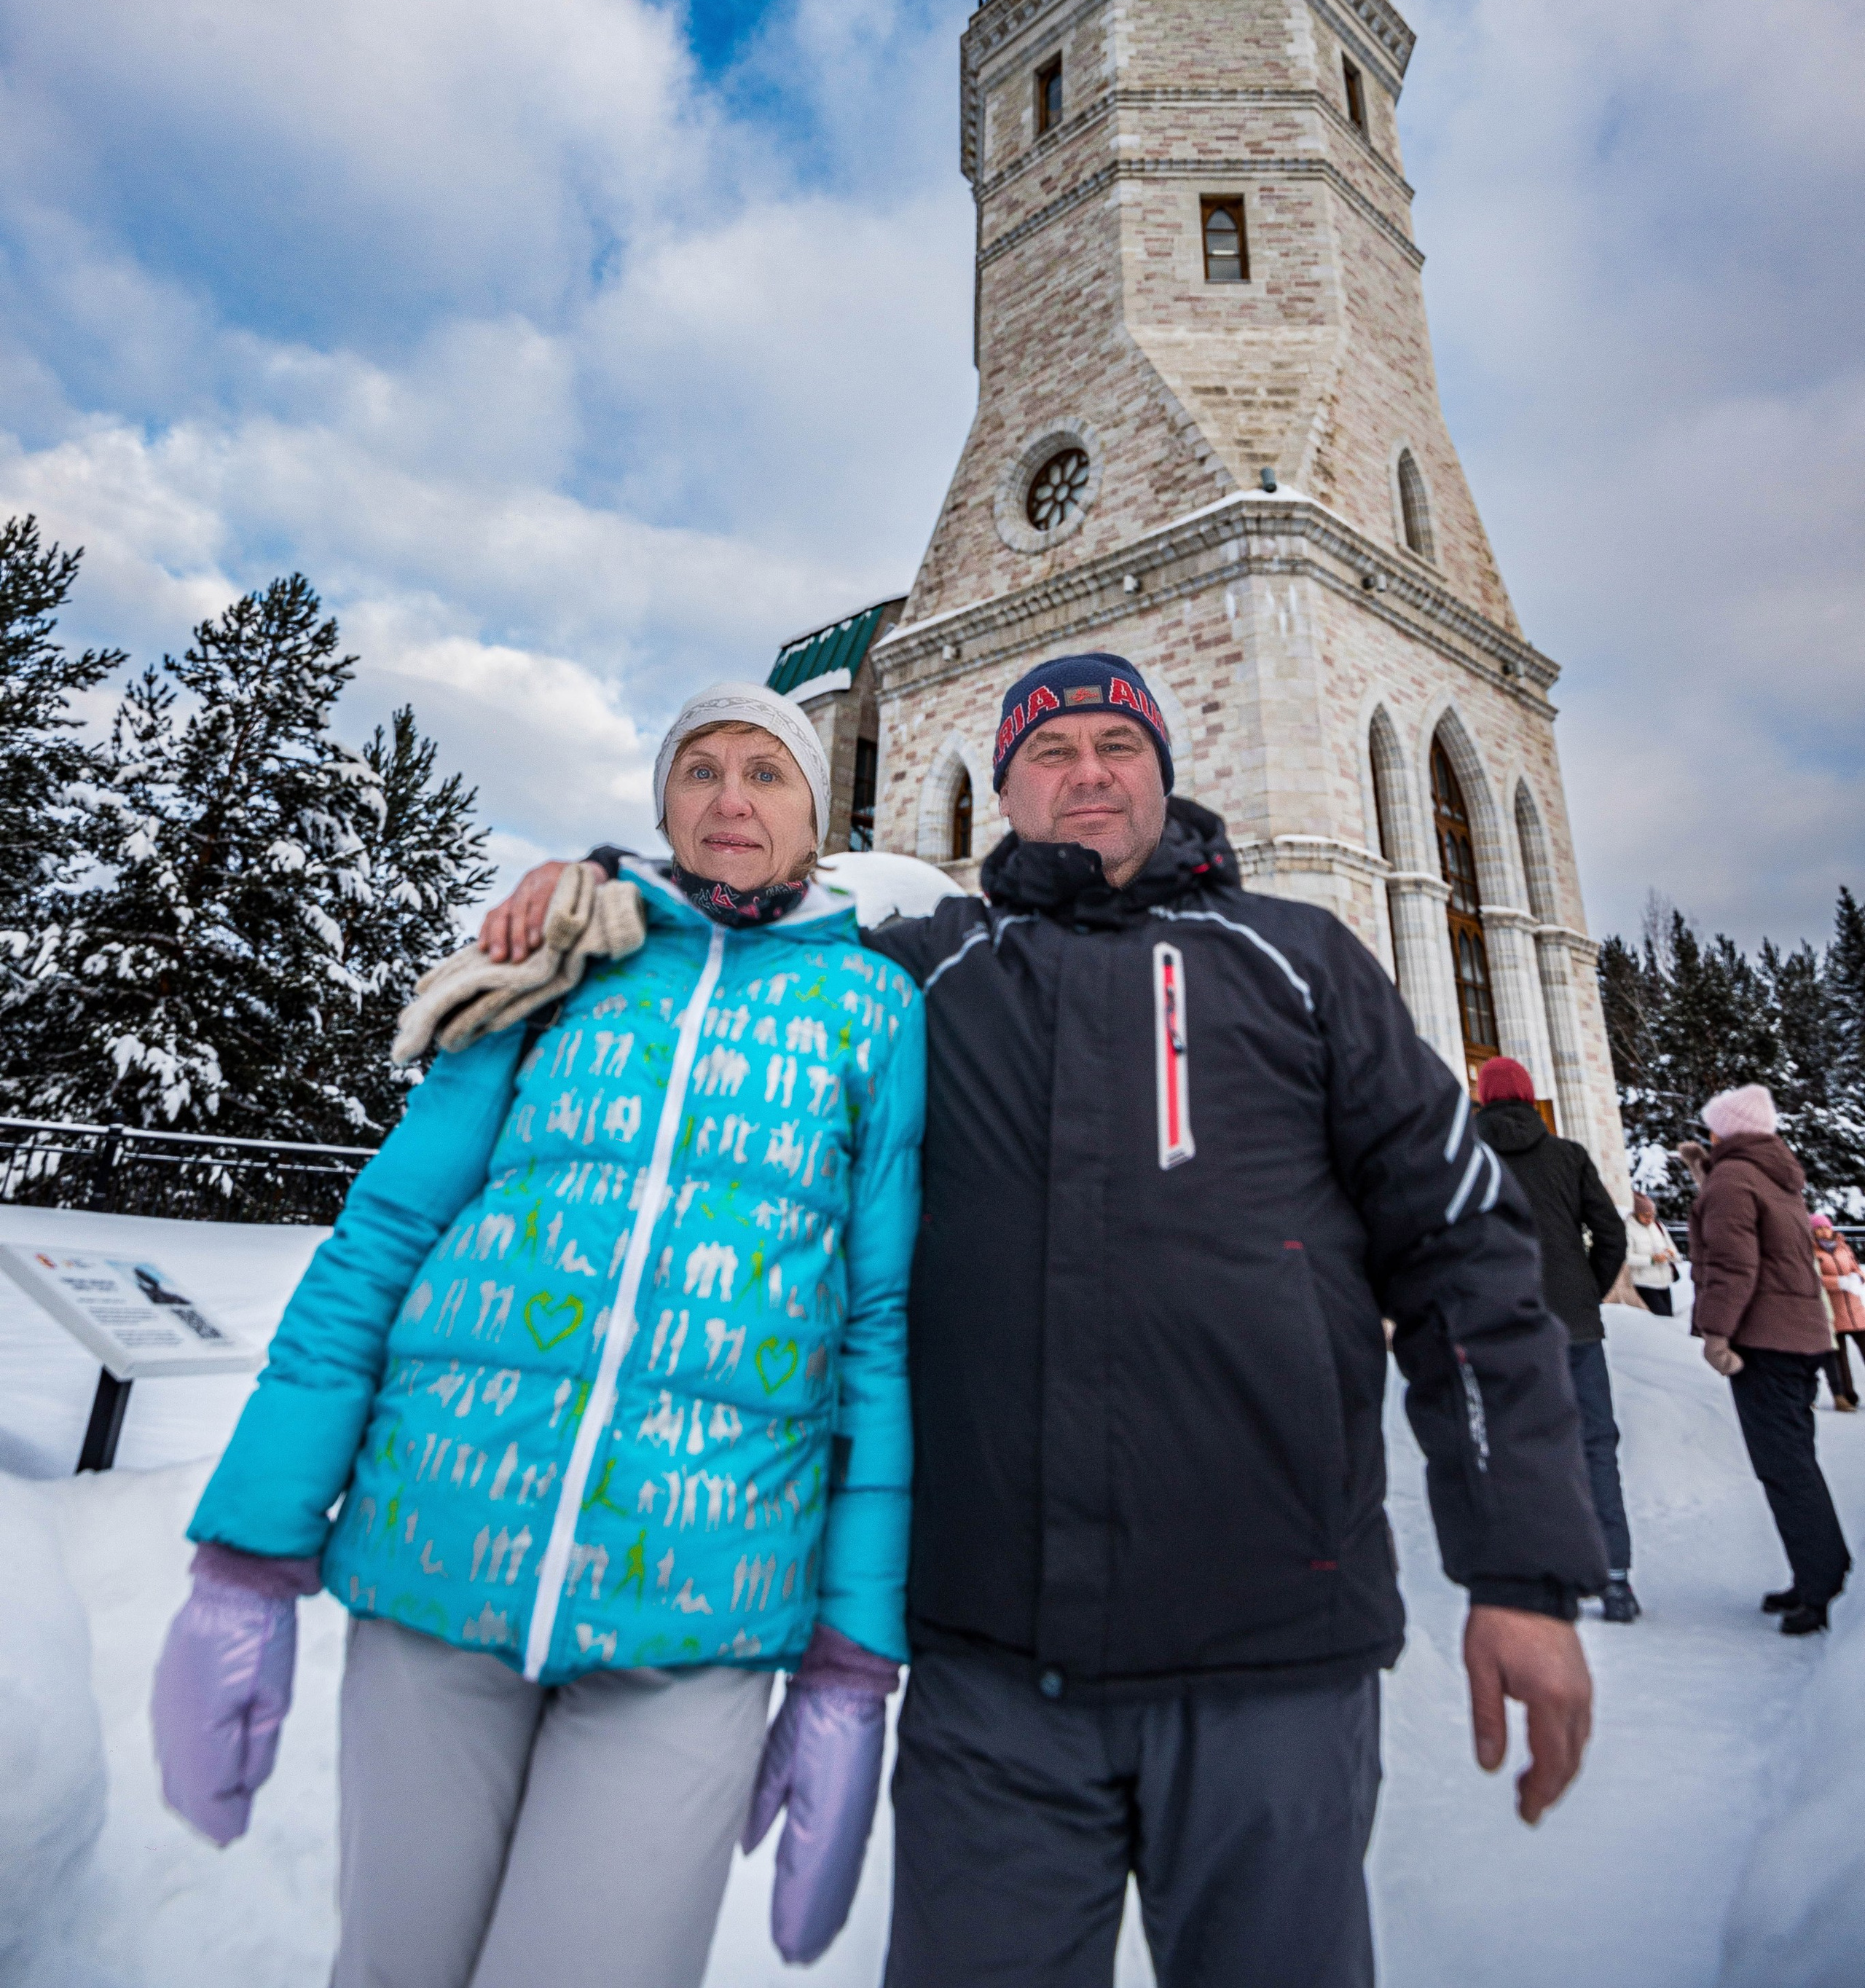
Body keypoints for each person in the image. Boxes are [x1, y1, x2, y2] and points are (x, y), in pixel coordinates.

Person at [493, 650, 1604, 1988]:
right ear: (1003, 788)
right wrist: (605, 889)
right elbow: (748, 937)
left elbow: (1465, 1253)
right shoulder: (923, 978)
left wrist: (1524, 1576)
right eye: (1052, 752)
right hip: (994, 1685)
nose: (1088, 774)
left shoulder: (1299, 963)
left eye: (1116, 747)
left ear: (1162, 772)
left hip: (1273, 1666)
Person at [149, 682, 925, 1988]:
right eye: (702, 770)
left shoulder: (877, 1015)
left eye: (768, 774)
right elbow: (385, 1238)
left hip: (703, 1602)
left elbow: (878, 1331)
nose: (732, 798)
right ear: (665, 803)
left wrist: (851, 1661)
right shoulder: (558, 958)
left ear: (816, 812)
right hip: (439, 1554)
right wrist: (248, 1559)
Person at [1472, 1058, 1638, 1624]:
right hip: (1575, 1325)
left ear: (1483, 1099)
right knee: (1595, 1443)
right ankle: (1615, 1577)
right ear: (1529, 1094)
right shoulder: (1567, 1155)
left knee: (1516, 1444)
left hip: (1504, 1326)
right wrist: (1587, 1286)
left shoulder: (1466, 1159)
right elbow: (1610, 1231)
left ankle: (1541, 1574)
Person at [1690, 1084, 1852, 1636]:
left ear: (1728, 1131)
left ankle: (1820, 1586)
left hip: (1764, 1341)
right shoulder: (1774, 1175)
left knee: (1784, 1468)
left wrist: (1716, 1333)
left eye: (1714, 1127)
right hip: (1802, 1336)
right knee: (1795, 1462)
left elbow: (1734, 1264)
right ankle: (1817, 1572)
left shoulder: (1734, 1180)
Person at [1811, 1212, 1865, 1411]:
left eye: (1826, 1227)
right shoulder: (1812, 1251)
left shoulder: (1844, 1247)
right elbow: (1815, 1277)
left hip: (1857, 1311)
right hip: (1834, 1313)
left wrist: (1858, 1278)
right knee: (1840, 1360)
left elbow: (1855, 1268)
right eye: (1819, 1228)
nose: (1824, 1231)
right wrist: (1840, 1282)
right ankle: (1847, 1396)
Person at [1626, 1192, 1682, 1316]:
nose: (1650, 1218)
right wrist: (1651, 1260)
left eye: (1652, 1215)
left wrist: (1671, 1255)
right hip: (1645, 1283)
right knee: (1661, 1319)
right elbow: (1627, 1257)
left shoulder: (1658, 1226)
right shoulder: (1628, 1228)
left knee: (1669, 1319)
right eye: (1645, 1215)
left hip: (1665, 1282)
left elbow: (1673, 1249)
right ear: (1636, 1214)